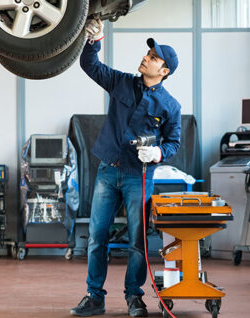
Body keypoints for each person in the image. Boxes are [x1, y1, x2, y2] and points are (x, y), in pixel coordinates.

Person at [70, 18, 182, 317]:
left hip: (139, 178)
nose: (146, 58)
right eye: (148, 54)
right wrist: (95, 39)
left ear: (164, 71)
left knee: (137, 241)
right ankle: (94, 297)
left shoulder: (170, 106)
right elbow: (90, 65)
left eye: (154, 58)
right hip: (108, 171)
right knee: (97, 237)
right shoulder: (121, 82)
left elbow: (174, 143)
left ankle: (134, 297)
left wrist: (158, 152)